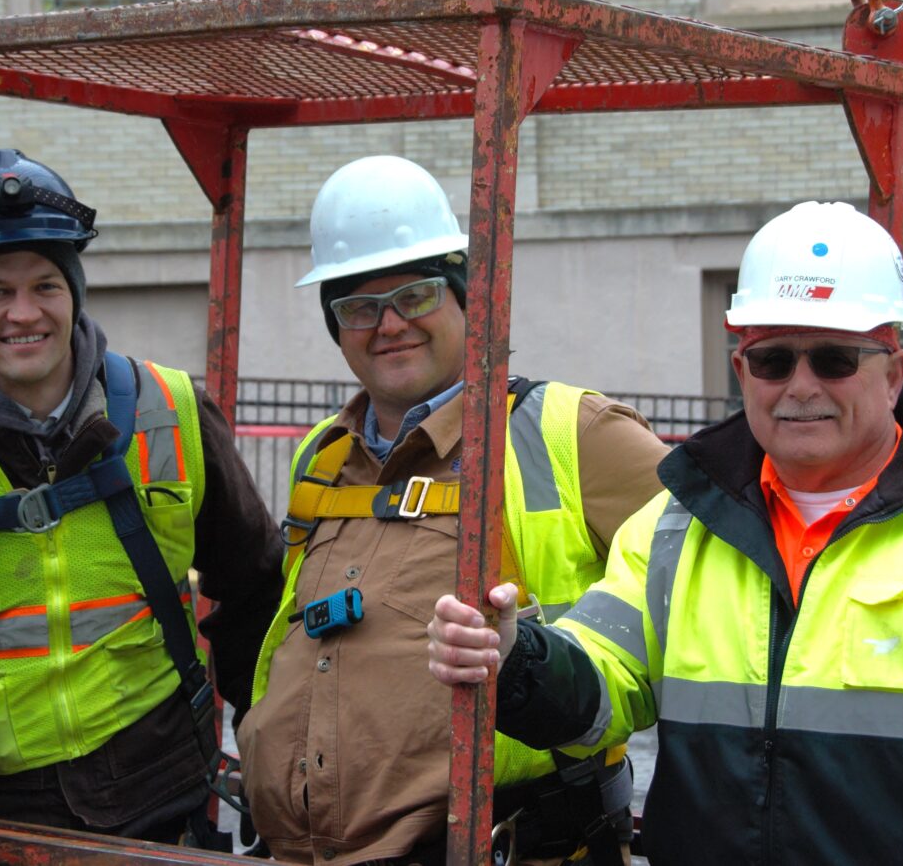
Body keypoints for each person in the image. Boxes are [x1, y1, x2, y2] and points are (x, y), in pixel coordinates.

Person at [428, 200, 903, 864]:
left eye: (835, 358)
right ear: (741, 372)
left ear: (895, 373)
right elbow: (600, 689)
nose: (800, 386)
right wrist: (515, 656)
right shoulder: (674, 531)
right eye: (774, 359)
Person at [237, 155, 671, 866]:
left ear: (466, 296)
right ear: (335, 325)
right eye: (358, 306)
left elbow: (712, 589)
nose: (389, 324)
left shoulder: (569, 432)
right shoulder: (323, 454)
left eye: (416, 294)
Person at [0, 148, 282, 847]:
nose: (23, 313)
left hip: (158, 793)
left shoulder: (170, 409)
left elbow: (257, 589)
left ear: (75, 295)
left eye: (46, 286)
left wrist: (273, 755)